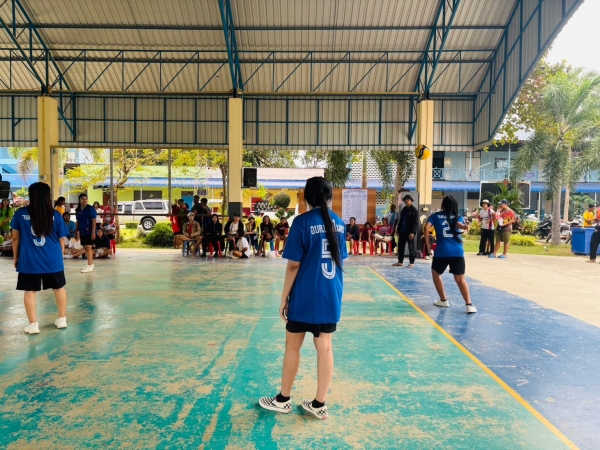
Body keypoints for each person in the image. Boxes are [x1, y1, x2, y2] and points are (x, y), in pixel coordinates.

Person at [259, 177, 347, 420]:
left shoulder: (302, 222)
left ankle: (283, 400)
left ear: (306, 198)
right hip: (330, 296)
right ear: (329, 197)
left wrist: (284, 298)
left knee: (293, 346)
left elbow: (293, 265)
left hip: (305, 296)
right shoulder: (340, 223)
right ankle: (319, 403)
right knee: (325, 348)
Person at [10, 182, 69, 334]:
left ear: (31, 195)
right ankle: (62, 319)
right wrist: (60, 257)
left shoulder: (20, 214)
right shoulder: (56, 215)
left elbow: (15, 238)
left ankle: (33, 325)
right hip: (53, 259)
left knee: (30, 291)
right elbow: (61, 239)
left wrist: (16, 257)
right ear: (47, 196)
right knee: (59, 288)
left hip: (29, 259)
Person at [424, 196, 477, 314]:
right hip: (458, 252)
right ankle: (469, 305)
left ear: (443, 204)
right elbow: (458, 224)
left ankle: (443, 300)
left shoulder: (435, 216)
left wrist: (428, 245)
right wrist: (464, 226)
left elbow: (426, 227)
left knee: (436, 274)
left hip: (442, 252)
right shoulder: (458, 217)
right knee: (460, 279)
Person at [393, 195, 419, 268]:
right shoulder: (404, 209)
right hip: (402, 231)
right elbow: (401, 221)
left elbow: (415, 222)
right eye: (405, 199)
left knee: (411, 248)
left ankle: (412, 262)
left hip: (410, 232)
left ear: (411, 201)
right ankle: (400, 261)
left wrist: (413, 232)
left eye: (408, 199)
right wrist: (398, 230)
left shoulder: (414, 210)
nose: (406, 201)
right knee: (401, 247)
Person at [76, 193, 97, 273]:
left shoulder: (90, 209)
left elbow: (94, 221)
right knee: (85, 248)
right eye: (82, 199)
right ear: (79, 200)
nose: (84, 200)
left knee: (88, 248)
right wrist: (76, 231)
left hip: (89, 231)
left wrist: (93, 232)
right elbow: (78, 221)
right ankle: (91, 264)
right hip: (82, 231)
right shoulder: (78, 210)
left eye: (86, 199)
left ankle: (89, 265)